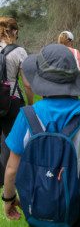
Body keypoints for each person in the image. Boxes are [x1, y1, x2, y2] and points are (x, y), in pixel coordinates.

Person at [3, 44, 80, 226]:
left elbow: (12, 168)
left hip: (38, 199)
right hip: (79, 199)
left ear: (40, 80)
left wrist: (8, 199)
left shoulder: (26, 116)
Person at [0, 16, 33, 187]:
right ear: (14, 31)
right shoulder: (19, 51)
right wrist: (30, 102)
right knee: (13, 139)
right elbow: (27, 83)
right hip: (12, 100)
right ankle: (12, 176)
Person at [58, 30, 80, 96]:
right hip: (72, 85)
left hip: (57, 85)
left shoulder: (54, 51)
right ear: (70, 41)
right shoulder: (75, 52)